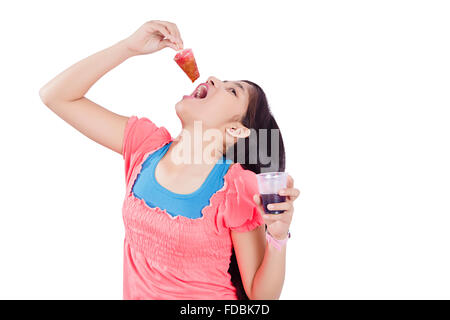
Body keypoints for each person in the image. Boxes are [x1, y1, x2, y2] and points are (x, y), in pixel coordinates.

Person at [39, 20, 300, 300]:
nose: (212, 79)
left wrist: (278, 234)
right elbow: (56, 96)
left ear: (235, 130)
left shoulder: (238, 187)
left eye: (232, 90)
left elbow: (261, 297)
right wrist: (128, 47)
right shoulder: (144, 145)